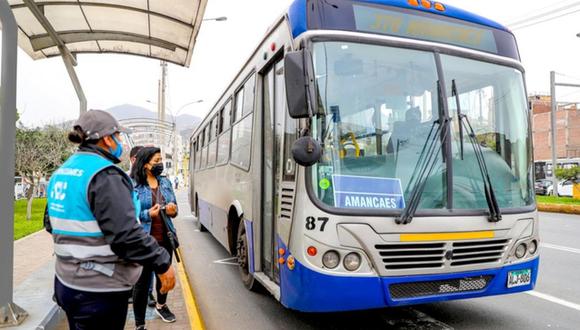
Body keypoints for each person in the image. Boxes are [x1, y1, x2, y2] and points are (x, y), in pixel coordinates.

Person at [44, 110, 176, 330]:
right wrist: (162, 262)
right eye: (118, 136)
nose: (120, 142)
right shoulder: (105, 175)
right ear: (107, 139)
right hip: (98, 290)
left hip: (66, 282)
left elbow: (50, 223)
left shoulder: (63, 172)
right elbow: (126, 236)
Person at [131, 147, 179, 326]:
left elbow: (174, 208)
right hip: (143, 240)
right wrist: (146, 214)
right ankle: (139, 323)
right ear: (145, 164)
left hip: (165, 238)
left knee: (163, 277)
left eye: (161, 161)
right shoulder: (132, 184)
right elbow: (129, 214)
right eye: (156, 161)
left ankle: (161, 305)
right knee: (141, 284)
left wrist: (173, 210)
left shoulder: (164, 183)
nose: (160, 164)